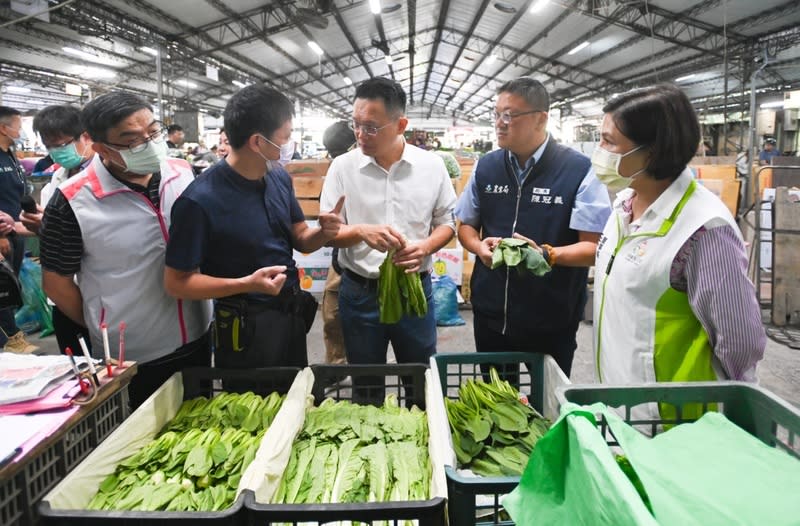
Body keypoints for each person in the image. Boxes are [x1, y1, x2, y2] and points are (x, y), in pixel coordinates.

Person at [592, 84, 765, 419]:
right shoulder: (624, 207)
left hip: (673, 420)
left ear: (651, 152)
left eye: (609, 141)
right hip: (621, 405)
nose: (599, 151)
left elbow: (741, 341)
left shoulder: (702, 229)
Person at [39, 92, 211, 408]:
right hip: (133, 355)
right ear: (97, 146)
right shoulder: (73, 202)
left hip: (199, 334)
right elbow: (56, 283)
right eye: (131, 140)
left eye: (153, 132)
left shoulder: (181, 172)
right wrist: (103, 322)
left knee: (201, 428)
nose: (148, 144)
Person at [164, 84, 342, 369]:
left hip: (290, 314)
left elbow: (299, 237)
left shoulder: (277, 177)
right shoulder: (199, 201)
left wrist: (323, 233)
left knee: (295, 397)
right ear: (258, 142)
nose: (290, 143)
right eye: (286, 137)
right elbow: (176, 283)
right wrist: (245, 284)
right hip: (244, 327)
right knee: (252, 407)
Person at [455, 77, 611, 377]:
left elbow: (594, 248)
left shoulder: (578, 170)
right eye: (496, 114)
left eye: (509, 115)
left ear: (541, 118)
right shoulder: (486, 166)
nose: (499, 123)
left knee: (550, 403)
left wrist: (547, 254)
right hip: (492, 316)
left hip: (552, 317)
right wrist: (478, 247)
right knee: (497, 403)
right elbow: (466, 226)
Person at [319, 77, 457, 399]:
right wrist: (360, 232)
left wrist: (425, 246)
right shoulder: (342, 167)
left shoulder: (431, 166)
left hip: (413, 291)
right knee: (366, 385)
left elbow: (447, 223)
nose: (360, 135)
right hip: (360, 292)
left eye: (371, 127)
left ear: (401, 124)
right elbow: (329, 233)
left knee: (420, 380)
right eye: (355, 125)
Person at [24, 104, 96, 355]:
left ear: (86, 136)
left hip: (100, 291)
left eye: (62, 143)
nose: (57, 151)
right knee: (80, 368)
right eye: (50, 146)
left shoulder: (108, 176)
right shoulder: (56, 181)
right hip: (63, 292)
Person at [0, 105, 38, 353]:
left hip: (17, 231)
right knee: (3, 287)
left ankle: (12, 335)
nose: (21, 130)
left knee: (12, 287)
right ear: (3, 128)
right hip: (3, 234)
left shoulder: (11, 155)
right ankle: (10, 338)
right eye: (18, 125)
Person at [320, 120, 355, 369]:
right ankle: (336, 365)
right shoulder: (339, 169)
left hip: (376, 260)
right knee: (332, 314)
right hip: (342, 256)